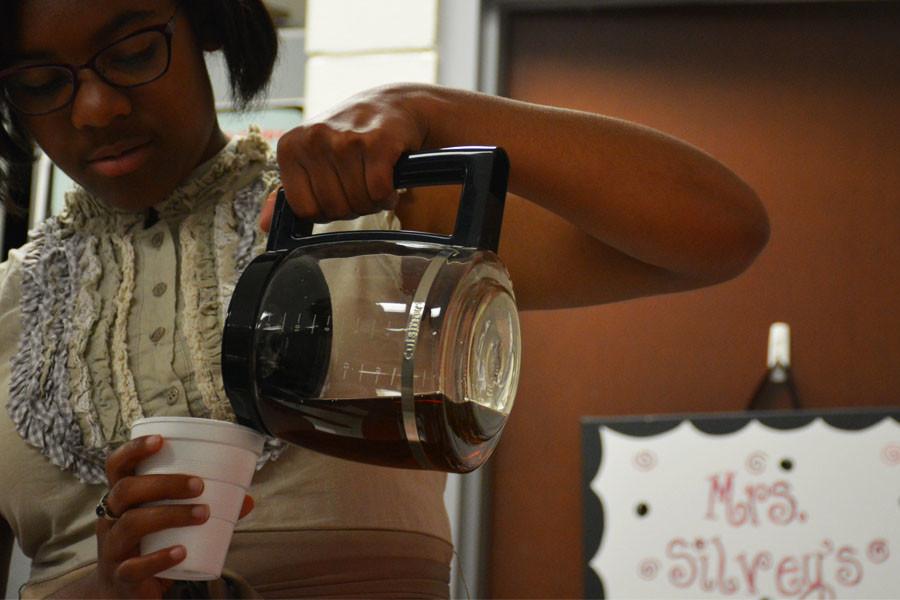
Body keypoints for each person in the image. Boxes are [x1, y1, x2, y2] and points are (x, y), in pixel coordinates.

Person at [0, 0, 769, 598]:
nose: (95, 110)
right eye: (40, 83)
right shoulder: (10, 305)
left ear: (205, 22)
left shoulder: (356, 215)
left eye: (133, 51)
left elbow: (721, 230)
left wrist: (430, 109)